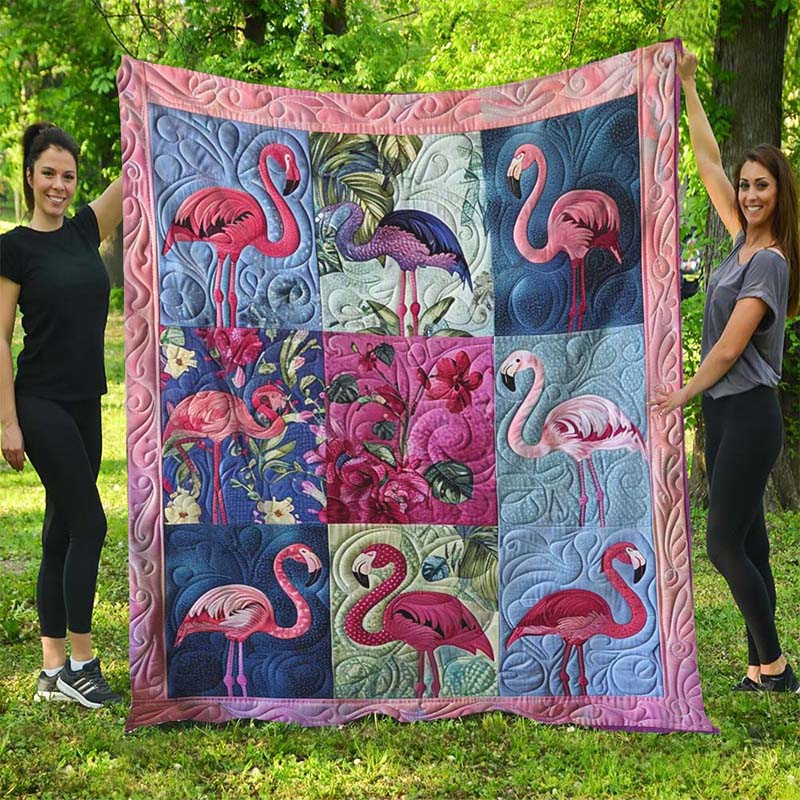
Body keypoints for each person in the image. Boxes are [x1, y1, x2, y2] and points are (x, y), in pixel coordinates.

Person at [652, 51, 800, 692]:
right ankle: (760, 666)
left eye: (762, 185)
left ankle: (777, 667)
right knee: (752, 543)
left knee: (720, 545)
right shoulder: (742, 239)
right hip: (725, 413)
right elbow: (709, 162)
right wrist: (688, 85)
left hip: (749, 416)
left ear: (780, 192)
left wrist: (681, 394)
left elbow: (730, 349)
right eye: (745, 186)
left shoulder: (770, 262)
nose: (749, 194)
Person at [0, 122, 123, 707]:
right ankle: (81, 662)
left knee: (60, 530)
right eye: (48, 173)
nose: (59, 185)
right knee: (91, 524)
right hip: (40, 402)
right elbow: (0, 338)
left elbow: (138, 172)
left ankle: (52, 671)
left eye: (68, 176)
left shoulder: (84, 230)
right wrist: (8, 422)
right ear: (29, 176)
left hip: (86, 401)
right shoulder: (14, 248)